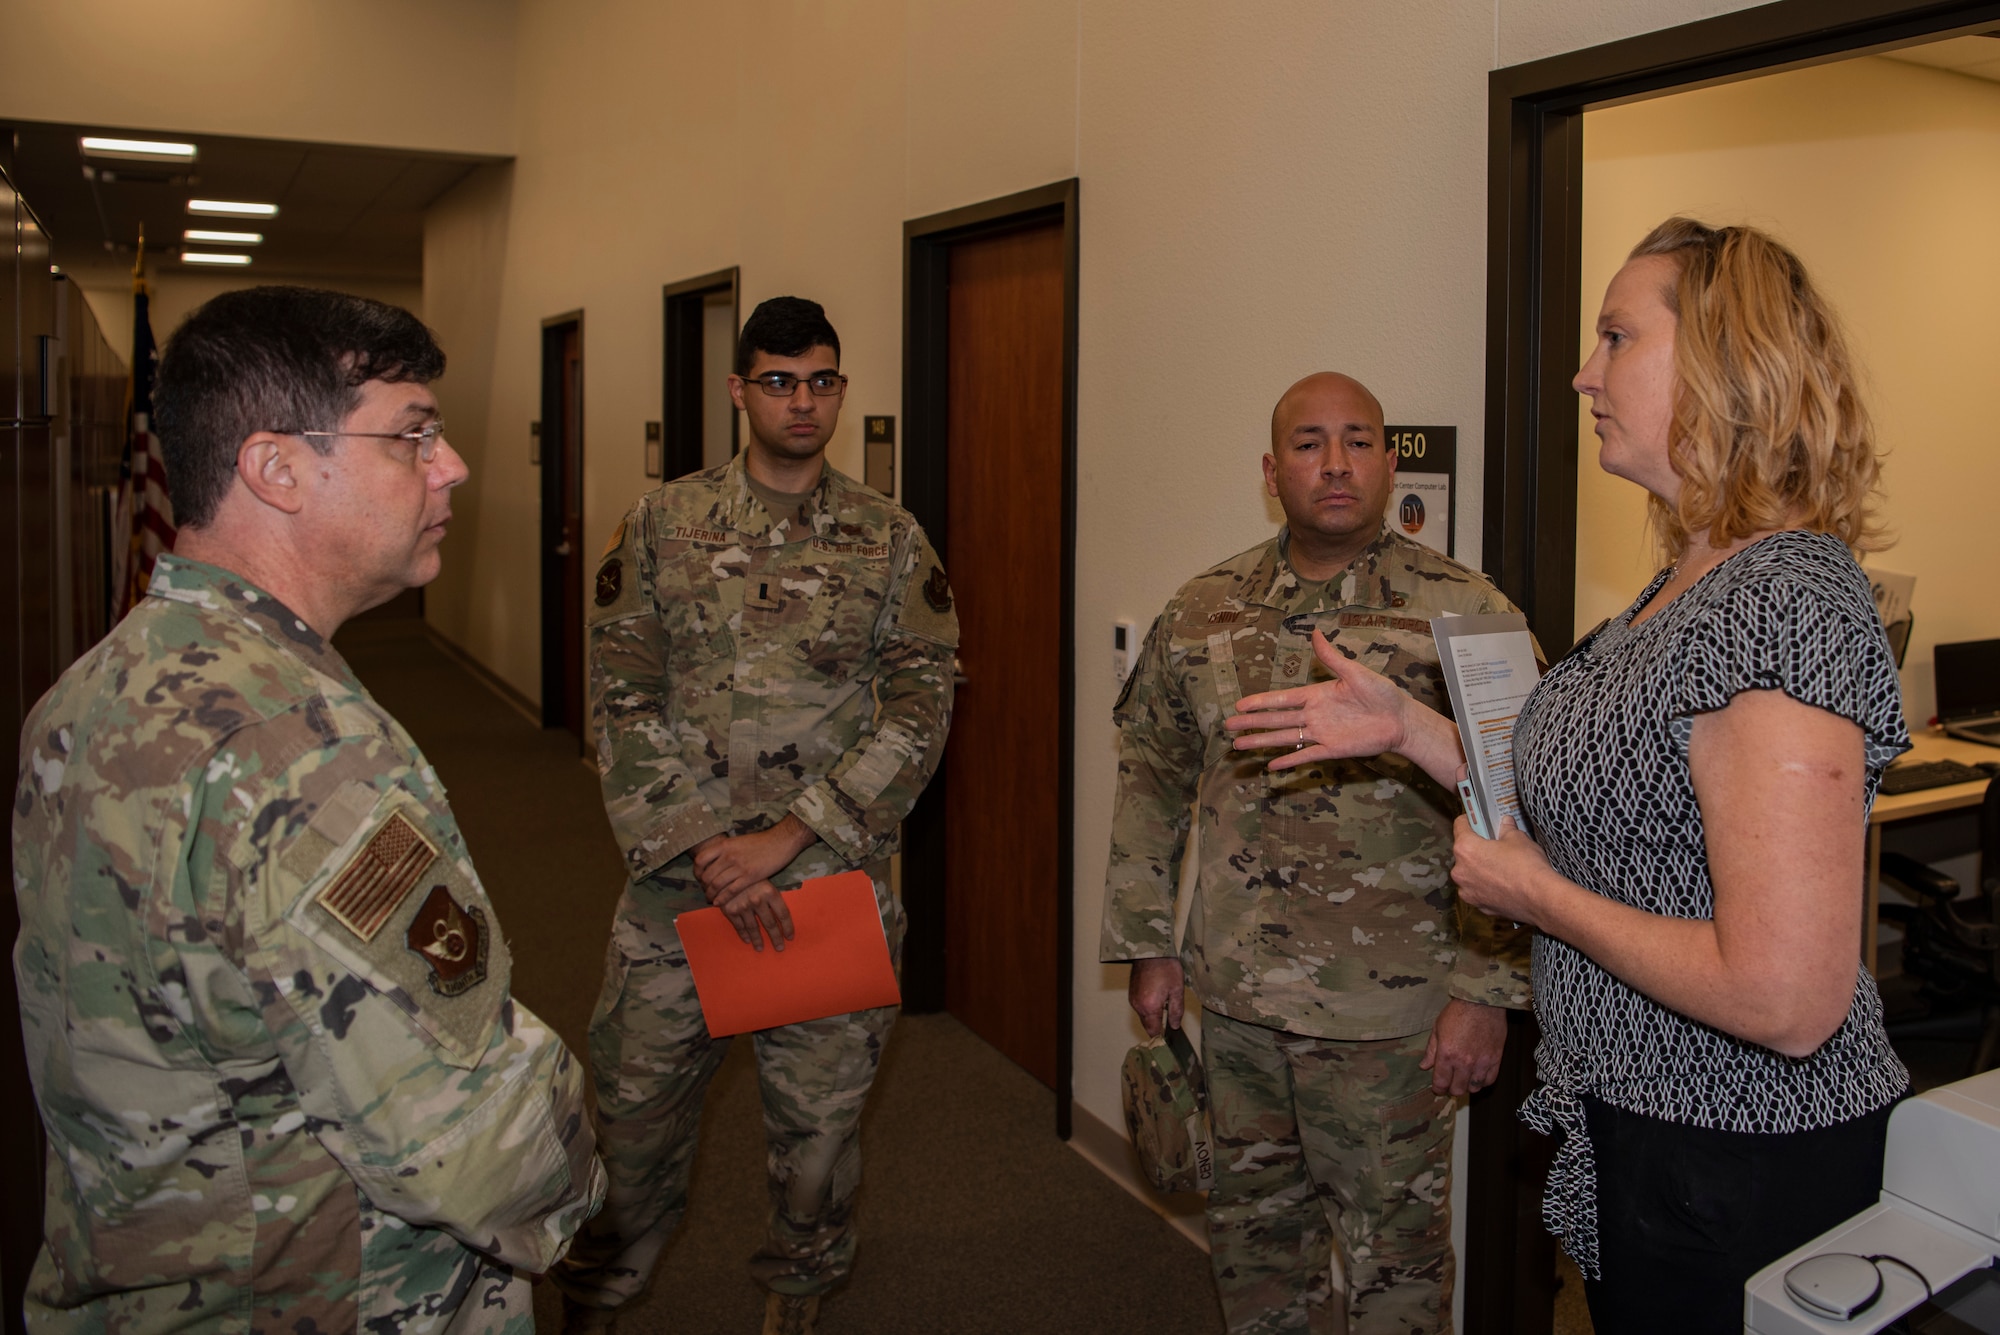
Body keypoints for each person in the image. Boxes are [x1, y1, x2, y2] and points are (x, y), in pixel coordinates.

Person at [1227, 219, 1911, 1331]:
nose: (1582, 370)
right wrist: (1409, 729)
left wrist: (1534, 898)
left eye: (1614, 337)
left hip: (1740, 1150)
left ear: (1725, 361)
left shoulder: (1781, 599)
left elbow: (1785, 1000)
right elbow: (1596, 801)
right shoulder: (1682, 581)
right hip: (1643, 1127)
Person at [11, 287, 605, 1333]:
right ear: (276, 467)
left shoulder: (99, 687)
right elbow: (462, 1143)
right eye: (411, 434)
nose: (452, 463)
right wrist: (588, 1163)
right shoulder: (303, 756)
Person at [554, 296, 958, 1335]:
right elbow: (621, 694)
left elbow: (923, 703)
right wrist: (703, 846)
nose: (802, 401)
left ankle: (797, 1299)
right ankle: (600, 1295)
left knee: (816, 1146)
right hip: (675, 894)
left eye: (822, 380)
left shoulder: (888, 540)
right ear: (738, 389)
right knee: (632, 1130)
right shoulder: (663, 523)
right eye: (779, 380)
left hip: (817, 884)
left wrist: (789, 837)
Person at [1101, 371, 1532, 1335]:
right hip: (1242, 1008)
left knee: (1397, 1267)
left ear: (1389, 460)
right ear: (1271, 470)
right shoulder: (1204, 609)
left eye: (1358, 441)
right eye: (1307, 443)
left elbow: (1522, 812)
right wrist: (1148, 943)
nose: (1334, 464)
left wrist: (1487, 991)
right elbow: (1155, 781)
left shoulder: (1465, 611)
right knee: (1255, 1249)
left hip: (1391, 1024)